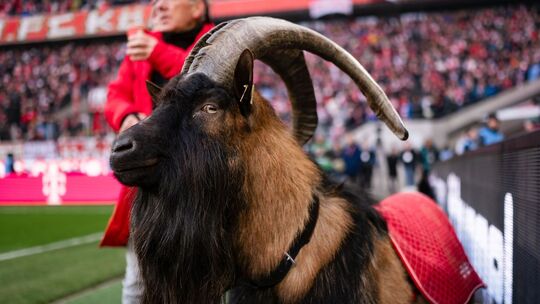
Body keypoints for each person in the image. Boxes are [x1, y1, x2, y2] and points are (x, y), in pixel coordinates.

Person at [101, 1, 213, 303]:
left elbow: (207, 78)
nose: (159, 5)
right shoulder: (144, 45)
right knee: (137, 283)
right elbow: (115, 95)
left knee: (202, 284)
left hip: (200, 184)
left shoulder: (217, 38)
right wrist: (125, 116)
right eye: (156, 0)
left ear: (197, 9)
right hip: (149, 183)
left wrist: (156, 51)